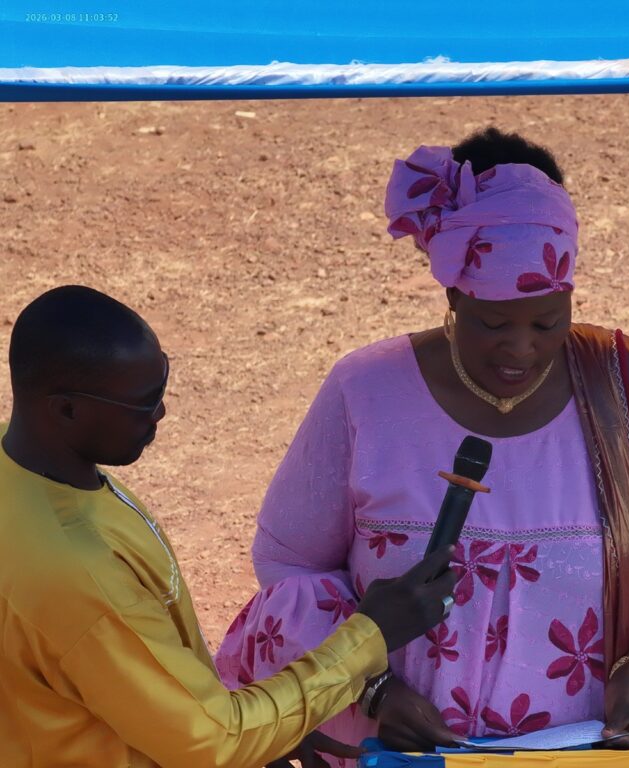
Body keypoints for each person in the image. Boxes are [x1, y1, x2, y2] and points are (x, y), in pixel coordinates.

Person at [217, 129, 629, 762]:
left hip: (592, 752)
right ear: (453, 294)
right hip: (397, 751)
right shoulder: (365, 392)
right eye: (491, 321)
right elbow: (292, 569)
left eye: (547, 320)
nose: (521, 348)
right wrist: (373, 690)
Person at [0, 285, 457, 768]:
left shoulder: (28, 469)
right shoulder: (79, 574)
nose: (161, 412)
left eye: (162, 384)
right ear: (67, 409)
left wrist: (273, 729)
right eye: (143, 403)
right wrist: (372, 633)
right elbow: (211, 741)